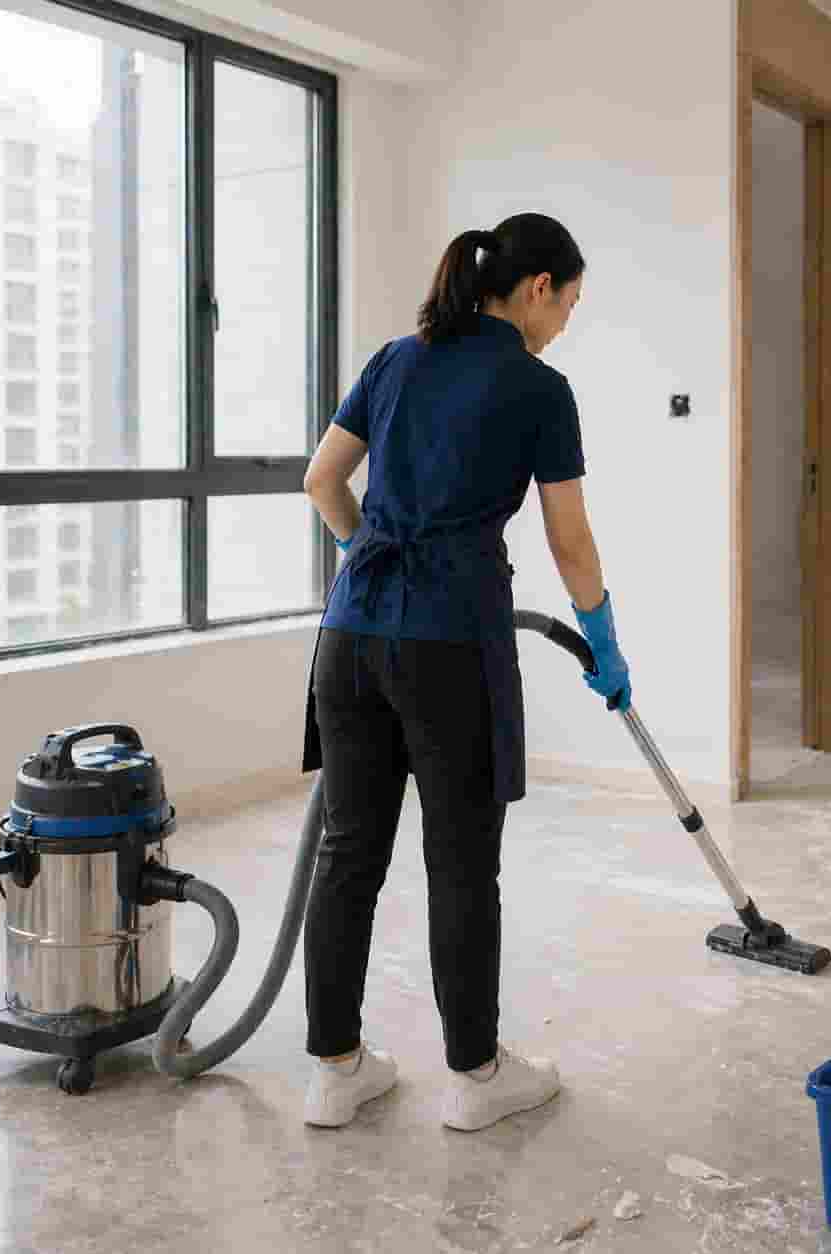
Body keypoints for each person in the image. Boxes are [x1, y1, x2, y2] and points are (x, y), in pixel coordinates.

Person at [299, 213, 632, 1130]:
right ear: (537, 290)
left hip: (350, 636)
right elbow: (569, 541)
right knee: (459, 863)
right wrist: (602, 637)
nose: (565, 321)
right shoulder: (537, 386)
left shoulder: (396, 359)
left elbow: (322, 481)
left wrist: (369, 551)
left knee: (347, 854)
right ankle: (476, 1080)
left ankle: (334, 1073)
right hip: (450, 642)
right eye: (568, 303)